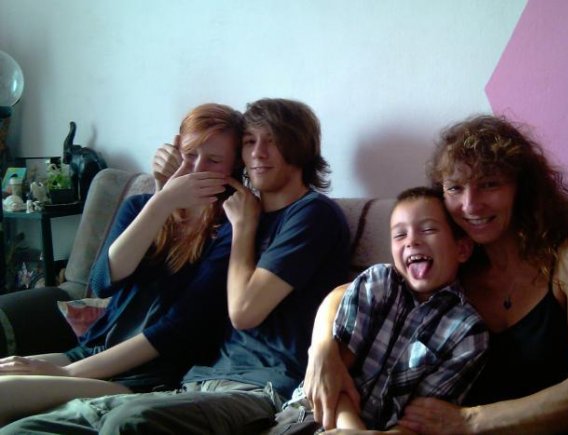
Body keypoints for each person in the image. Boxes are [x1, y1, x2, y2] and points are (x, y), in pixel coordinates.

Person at [1, 98, 352, 434]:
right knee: (23, 428)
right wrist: (163, 198)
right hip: (191, 377)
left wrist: (242, 229)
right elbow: (102, 283)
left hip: (223, 382)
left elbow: (219, 318)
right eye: (250, 141)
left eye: (273, 141)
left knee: (124, 420)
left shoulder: (255, 222)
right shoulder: (237, 214)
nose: (259, 152)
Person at [303, 115, 568, 434]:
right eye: (455, 188)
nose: (470, 205)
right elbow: (347, 294)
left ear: (522, 188)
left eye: (489, 184)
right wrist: (322, 350)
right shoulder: (452, 261)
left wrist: (470, 421)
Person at [0, 102, 244, 424]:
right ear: (174, 149)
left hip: (147, 375)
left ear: (234, 167)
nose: (196, 168)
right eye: (189, 154)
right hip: (94, 352)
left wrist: (66, 373)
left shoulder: (231, 229)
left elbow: (175, 329)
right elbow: (103, 281)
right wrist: (161, 201)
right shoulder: (141, 207)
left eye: (213, 160)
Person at [271, 187, 488, 434]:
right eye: (400, 234)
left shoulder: (468, 331)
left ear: (462, 249)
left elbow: (421, 422)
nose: (412, 241)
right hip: (312, 414)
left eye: (428, 230)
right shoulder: (378, 282)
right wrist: (354, 431)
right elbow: (335, 375)